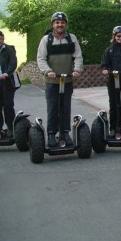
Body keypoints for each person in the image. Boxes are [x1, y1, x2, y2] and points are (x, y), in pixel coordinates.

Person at [37, 12, 83, 147]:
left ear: (65, 24)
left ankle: (65, 133)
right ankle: (52, 134)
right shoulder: (46, 39)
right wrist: (48, 71)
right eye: (57, 22)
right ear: (53, 24)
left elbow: (78, 56)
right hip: (52, 82)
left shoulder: (72, 38)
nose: (60, 25)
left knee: (65, 108)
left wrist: (76, 70)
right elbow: (41, 58)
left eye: (62, 22)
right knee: (53, 108)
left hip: (67, 81)